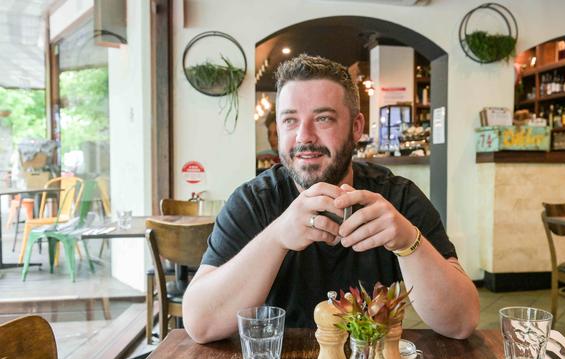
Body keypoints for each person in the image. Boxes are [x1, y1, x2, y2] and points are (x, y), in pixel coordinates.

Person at [183, 54, 479, 343]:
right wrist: (276, 237)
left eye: (323, 118)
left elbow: (461, 322)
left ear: (357, 127)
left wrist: (407, 240)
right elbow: (200, 324)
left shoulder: (395, 197)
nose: (303, 136)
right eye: (289, 120)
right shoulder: (254, 201)